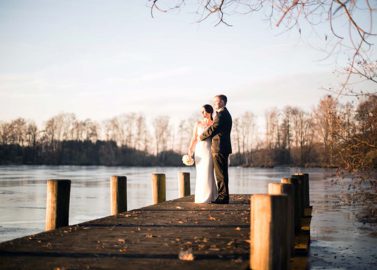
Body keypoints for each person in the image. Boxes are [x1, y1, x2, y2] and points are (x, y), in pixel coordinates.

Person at [200, 95, 232, 204]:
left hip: (219, 147)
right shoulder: (224, 113)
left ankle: (223, 197)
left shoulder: (221, 114)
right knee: (222, 173)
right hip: (222, 147)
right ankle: (223, 196)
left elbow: (214, 128)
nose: (214, 103)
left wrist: (201, 136)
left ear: (222, 102)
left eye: (216, 101)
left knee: (220, 174)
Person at [188, 104, 218, 203]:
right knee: (200, 174)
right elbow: (194, 138)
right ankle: (200, 197)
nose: (202, 114)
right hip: (199, 151)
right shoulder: (198, 123)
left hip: (209, 150)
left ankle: (210, 197)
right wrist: (190, 150)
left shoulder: (214, 123)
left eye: (204, 111)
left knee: (208, 172)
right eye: (201, 112)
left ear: (209, 112)